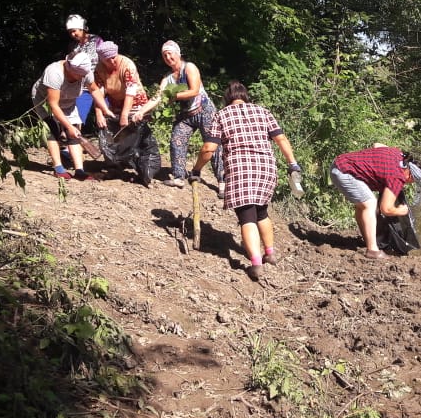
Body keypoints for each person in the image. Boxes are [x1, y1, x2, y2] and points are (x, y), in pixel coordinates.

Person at [188, 81, 300, 281]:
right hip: (266, 168)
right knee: (262, 212)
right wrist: (292, 164)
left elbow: (208, 149)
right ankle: (270, 253)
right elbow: (281, 139)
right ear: (245, 96)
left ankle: (256, 264)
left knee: (247, 217)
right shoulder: (263, 112)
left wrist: (196, 169)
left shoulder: (221, 115)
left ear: (227, 98)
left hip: (241, 169)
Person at [131, 40, 223, 192]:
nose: (168, 57)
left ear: (178, 53)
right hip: (185, 115)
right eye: (164, 55)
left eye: (170, 53)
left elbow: (194, 90)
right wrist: (142, 111)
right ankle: (179, 177)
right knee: (176, 141)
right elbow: (158, 97)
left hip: (204, 110)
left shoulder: (190, 67)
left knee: (212, 145)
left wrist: (173, 96)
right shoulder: (167, 78)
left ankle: (222, 182)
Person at [329, 143, 421, 260]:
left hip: (340, 163)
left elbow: (377, 145)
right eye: (413, 180)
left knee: (363, 205)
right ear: (410, 175)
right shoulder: (398, 177)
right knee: (370, 204)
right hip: (344, 173)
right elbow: (385, 209)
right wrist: (401, 211)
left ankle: (369, 240)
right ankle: (373, 251)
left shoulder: (398, 153)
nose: (411, 182)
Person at [31, 52, 115, 180]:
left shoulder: (86, 72)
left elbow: (94, 90)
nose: (80, 78)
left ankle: (80, 171)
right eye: (78, 75)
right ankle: (58, 169)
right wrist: (68, 127)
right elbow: (53, 105)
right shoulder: (54, 73)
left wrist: (105, 108)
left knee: (75, 132)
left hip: (68, 101)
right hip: (46, 102)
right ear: (69, 67)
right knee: (53, 130)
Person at [91, 40, 160, 185]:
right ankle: (115, 166)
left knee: (136, 133)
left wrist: (124, 114)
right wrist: (99, 113)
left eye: (113, 57)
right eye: (108, 59)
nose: (112, 61)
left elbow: (131, 90)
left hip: (135, 102)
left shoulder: (127, 64)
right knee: (114, 135)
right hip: (115, 102)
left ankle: (143, 169)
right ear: (102, 59)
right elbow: (97, 92)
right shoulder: (99, 69)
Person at [64, 14, 103, 126]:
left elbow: (104, 59)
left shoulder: (96, 40)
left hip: (98, 83)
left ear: (82, 28)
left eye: (74, 31)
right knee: (77, 118)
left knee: (104, 115)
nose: (73, 34)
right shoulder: (73, 46)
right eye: (70, 32)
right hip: (82, 85)